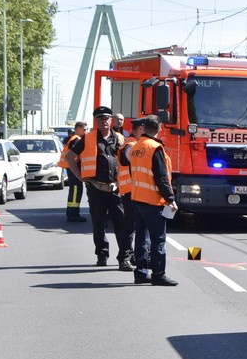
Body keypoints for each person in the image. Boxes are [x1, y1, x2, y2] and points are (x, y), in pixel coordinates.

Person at [64, 106, 132, 270]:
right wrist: (80, 177)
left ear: (112, 120)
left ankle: (124, 258)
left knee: (122, 224)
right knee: (98, 224)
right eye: (101, 118)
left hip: (116, 188)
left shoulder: (121, 139)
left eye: (108, 118)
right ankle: (102, 254)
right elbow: (70, 157)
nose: (105, 121)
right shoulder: (87, 138)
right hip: (96, 188)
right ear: (96, 121)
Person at [124, 115, 178, 286]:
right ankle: (158, 275)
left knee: (141, 238)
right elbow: (161, 177)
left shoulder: (136, 146)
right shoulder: (156, 148)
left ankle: (140, 273)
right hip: (153, 200)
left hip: (137, 197)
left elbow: (134, 172)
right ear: (159, 128)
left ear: (144, 128)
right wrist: (170, 199)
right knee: (158, 239)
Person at [116, 118, 142, 266]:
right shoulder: (131, 145)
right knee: (130, 226)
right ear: (139, 129)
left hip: (136, 191)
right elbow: (129, 160)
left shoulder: (134, 144)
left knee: (135, 226)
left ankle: (131, 255)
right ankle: (124, 257)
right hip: (131, 191)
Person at [59, 121, 88, 222]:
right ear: (78, 129)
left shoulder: (73, 139)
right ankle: (73, 214)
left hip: (70, 168)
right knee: (76, 190)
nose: (86, 131)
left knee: (74, 190)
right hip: (73, 168)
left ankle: (71, 213)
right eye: (84, 129)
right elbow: (76, 154)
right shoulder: (76, 140)